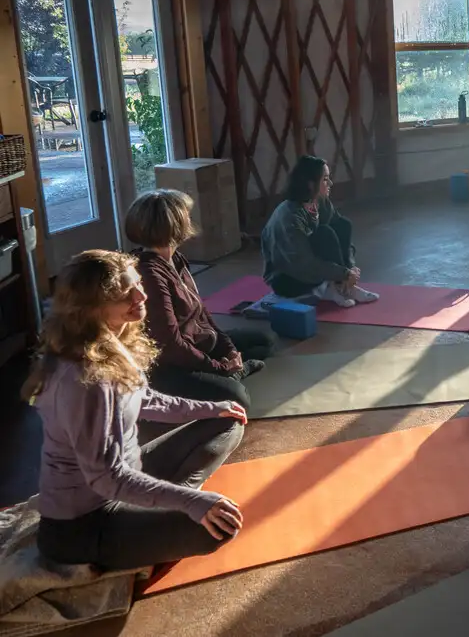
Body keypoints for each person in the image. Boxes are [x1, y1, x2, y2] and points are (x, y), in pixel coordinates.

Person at [25, 250, 248, 572]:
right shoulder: (85, 379)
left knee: (226, 422)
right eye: (123, 293)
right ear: (90, 308)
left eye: (137, 284)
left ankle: (161, 504)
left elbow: (147, 400)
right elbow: (107, 477)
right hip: (82, 526)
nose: (141, 295)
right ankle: (169, 504)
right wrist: (191, 502)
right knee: (218, 527)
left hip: (128, 477)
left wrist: (212, 408)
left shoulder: (113, 343)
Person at [127, 189, 272, 410]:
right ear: (173, 224)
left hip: (199, 342)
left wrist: (229, 349)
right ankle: (231, 376)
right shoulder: (149, 274)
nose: (190, 220)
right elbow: (170, 344)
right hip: (173, 363)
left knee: (263, 343)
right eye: (186, 215)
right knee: (237, 397)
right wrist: (218, 367)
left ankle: (233, 369)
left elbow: (201, 311)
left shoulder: (176, 259)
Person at [261, 155, 378, 309]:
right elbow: (304, 264)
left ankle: (344, 287)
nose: (330, 183)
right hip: (287, 279)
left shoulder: (318, 201)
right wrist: (343, 273)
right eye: (325, 179)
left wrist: (349, 269)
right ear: (310, 184)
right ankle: (337, 286)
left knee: (343, 224)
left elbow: (342, 230)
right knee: (325, 233)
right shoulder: (289, 217)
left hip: (313, 270)